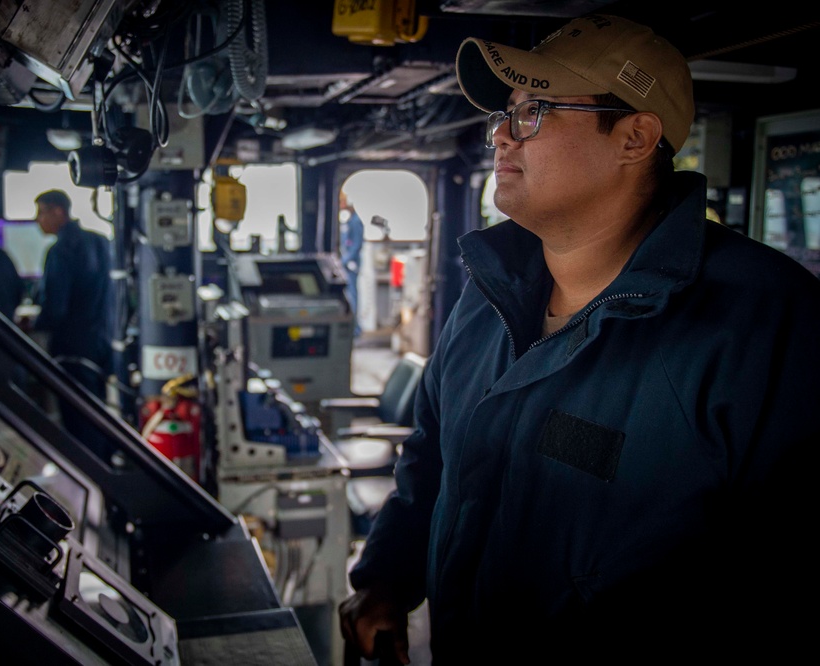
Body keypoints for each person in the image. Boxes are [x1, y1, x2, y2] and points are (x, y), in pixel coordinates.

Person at [339, 13, 820, 662]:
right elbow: (433, 458)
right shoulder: (488, 295)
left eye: (534, 110)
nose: (503, 135)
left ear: (634, 137)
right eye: (505, 113)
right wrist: (388, 579)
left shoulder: (767, 324)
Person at [29, 189, 115, 404]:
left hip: (72, 347)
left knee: (77, 413)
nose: (37, 220)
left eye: (40, 213)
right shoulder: (101, 241)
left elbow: (55, 307)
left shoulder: (60, 251)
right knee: (98, 410)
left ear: (58, 212)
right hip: (103, 340)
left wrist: (33, 326)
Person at [339, 190, 365, 337]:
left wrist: (344, 261)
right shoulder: (349, 220)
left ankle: (355, 329)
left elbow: (355, 246)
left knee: (352, 296)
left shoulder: (355, 221)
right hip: (349, 264)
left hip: (351, 266)